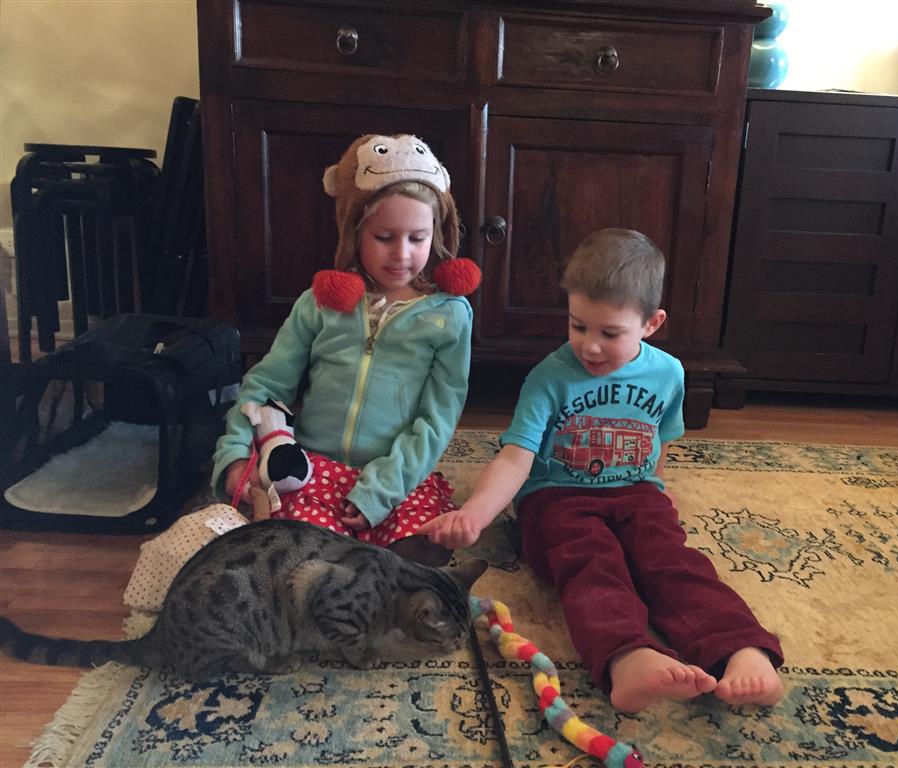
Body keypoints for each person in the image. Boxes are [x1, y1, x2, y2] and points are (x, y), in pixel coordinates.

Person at [419, 228, 784, 711]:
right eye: (578, 326)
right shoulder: (549, 377)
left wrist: (654, 492)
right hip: (556, 500)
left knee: (671, 560)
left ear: (651, 323)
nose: (589, 346)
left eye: (609, 333)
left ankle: (741, 648)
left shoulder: (670, 374)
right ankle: (626, 657)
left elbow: (660, 441)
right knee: (592, 563)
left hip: (636, 493)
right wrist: (476, 514)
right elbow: (515, 456)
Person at [212, 134, 481, 565]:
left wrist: (382, 489)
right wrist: (235, 454)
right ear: (353, 231)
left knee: (423, 545)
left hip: (396, 474)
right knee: (293, 548)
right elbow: (266, 385)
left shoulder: (450, 316)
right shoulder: (318, 304)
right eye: (384, 237)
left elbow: (437, 419)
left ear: (437, 233)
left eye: (417, 238)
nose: (402, 254)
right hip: (312, 466)